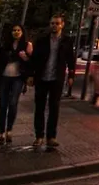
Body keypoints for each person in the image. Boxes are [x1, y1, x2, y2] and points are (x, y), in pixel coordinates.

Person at [28, 14, 76, 151]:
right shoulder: (42, 40)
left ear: (62, 25)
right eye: (52, 23)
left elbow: (70, 59)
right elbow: (34, 58)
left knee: (54, 108)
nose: (54, 26)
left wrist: (71, 75)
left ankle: (51, 137)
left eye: (57, 23)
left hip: (57, 78)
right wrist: (30, 75)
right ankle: (39, 136)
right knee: (39, 107)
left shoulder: (67, 41)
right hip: (42, 77)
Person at [0, 24, 32, 144]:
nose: (16, 32)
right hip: (3, 78)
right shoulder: (5, 46)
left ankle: (9, 130)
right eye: (14, 30)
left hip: (18, 78)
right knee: (3, 105)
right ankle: (2, 133)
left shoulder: (26, 45)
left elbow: (31, 63)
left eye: (18, 30)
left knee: (13, 103)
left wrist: (26, 58)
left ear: (22, 32)